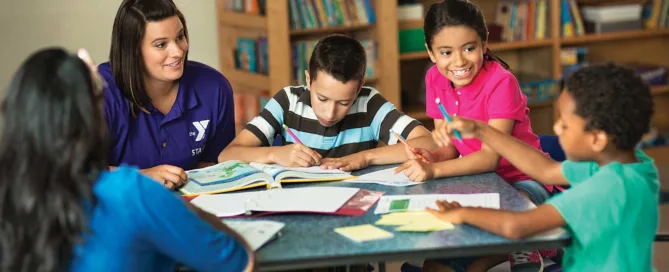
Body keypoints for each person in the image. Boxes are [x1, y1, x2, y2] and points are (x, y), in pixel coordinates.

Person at [0, 47, 254, 272]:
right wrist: (183, 208)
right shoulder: (131, 194)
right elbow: (239, 263)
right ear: (91, 118)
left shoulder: (11, 195)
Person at [424, 62, 658, 272]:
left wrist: (461, 213)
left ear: (597, 139)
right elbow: (545, 170)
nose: (556, 129)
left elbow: (516, 227)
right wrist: (481, 130)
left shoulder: (605, 188)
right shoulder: (630, 167)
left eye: (564, 125)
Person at [395, 1, 559, 271]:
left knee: (514, 213)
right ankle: (532, 243)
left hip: (525, 181)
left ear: (484, 44)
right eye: (446, 52)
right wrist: (432, 157)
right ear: (431, 53)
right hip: (477, 184)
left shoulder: (502, 83)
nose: (459, 61)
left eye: (469, 48)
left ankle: (525, 246)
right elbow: (448, 145)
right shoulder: (434, 78)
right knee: (435, 266)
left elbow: (489, 158)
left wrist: (434, 171)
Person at [218, 34, 435, 171]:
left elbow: (429, 143)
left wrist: (365, 157)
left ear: (359, 88)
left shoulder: (369, 104)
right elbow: (228, 155)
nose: (330, 113)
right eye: (322, 98)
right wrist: (275, 154)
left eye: (343, 102)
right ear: (308, 80)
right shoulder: (287, 101)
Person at [100, 0, 236, 189]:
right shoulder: (100, 93)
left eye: (180, 37)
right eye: (161, 44)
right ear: (133, 51)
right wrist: (141, 177)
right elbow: (73, 174)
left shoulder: (214, 88)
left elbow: (220, 164)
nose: (178, 52)